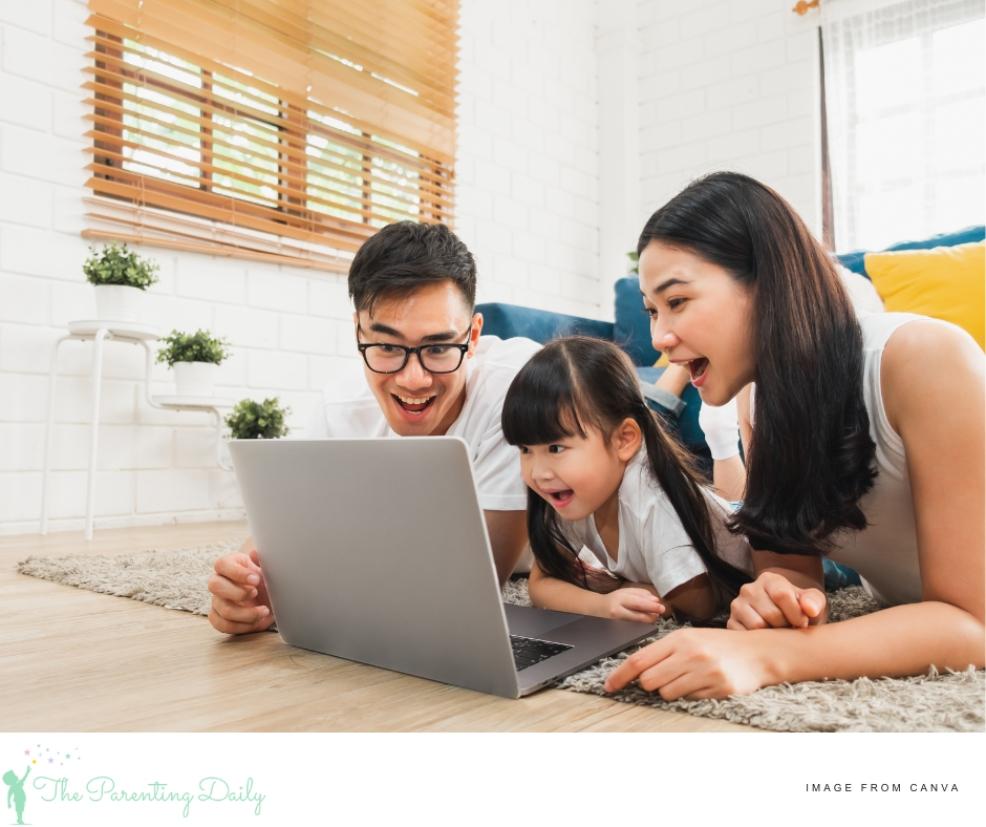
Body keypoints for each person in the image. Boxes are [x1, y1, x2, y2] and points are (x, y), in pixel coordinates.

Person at [605, 171, 984, 699]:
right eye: (651, 310)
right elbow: (789, 564)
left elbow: (974, 624)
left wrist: (769, 655)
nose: (660, 339)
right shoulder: (758, 397)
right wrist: (780, 596)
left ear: (767, 284)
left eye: (678, 302)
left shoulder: (924, 359)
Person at [208, 222, 539, 635]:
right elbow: (283, 537)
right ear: (358, 333)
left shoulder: (520, 390)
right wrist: (247, 586)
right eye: (386, 347)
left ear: (472, 337)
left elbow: (473, 586)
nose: (413, 379)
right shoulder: (341, 407)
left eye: (438, 348)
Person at [501, 337, 753, 624]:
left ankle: (721, 435)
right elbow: (540, 584)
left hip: (748, 535)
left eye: (556, 448)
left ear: (624, 440)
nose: (538, 473)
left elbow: (700, 608)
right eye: (525, 450)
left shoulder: (651, 502)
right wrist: (602, 604)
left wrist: (616, 587)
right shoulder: (569, 490)